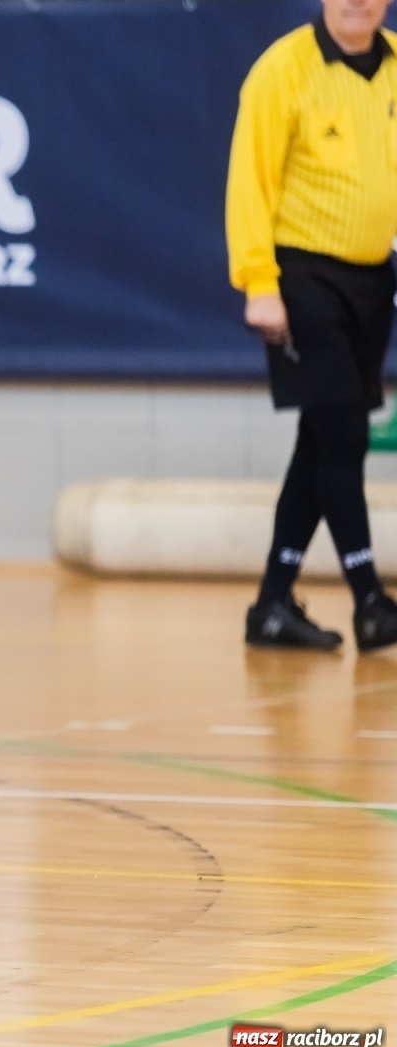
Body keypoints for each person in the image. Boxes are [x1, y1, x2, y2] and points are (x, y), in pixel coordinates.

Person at [228, 0, 397, 652]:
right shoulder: (282, 70)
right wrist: (259, 283)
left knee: (320, 439)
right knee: (345, 431)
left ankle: (272, 603)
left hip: (372, 277)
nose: (357, 2)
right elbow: (250, 182)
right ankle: (370, 601)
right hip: (303, 280)